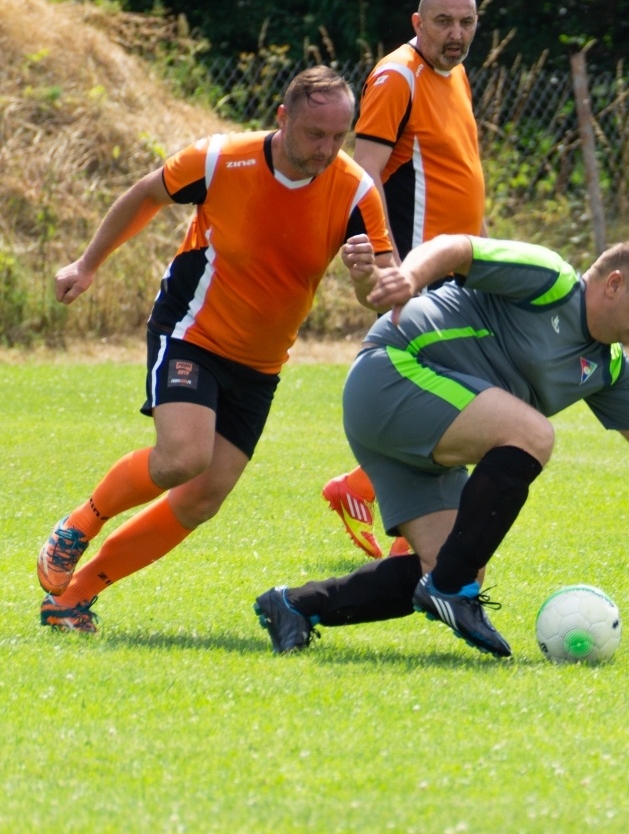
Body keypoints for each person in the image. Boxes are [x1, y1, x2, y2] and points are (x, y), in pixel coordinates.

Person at [253, 237, 629, 658]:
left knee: (439, 560)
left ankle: (296, 605)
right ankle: (453, 589)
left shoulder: (607, 368)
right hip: (395, 371)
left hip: (426, 423)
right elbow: (457, 247)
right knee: (532, 436)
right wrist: (407, 277)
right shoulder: (550, 280)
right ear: (613, 284)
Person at [36, 67, 395, 632]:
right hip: (191, 332)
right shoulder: (221, 159)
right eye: (314, 134)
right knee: (183, 457)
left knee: (203, 498)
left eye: (339, 136)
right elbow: (146, 194)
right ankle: (80, 524)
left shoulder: (355, 190)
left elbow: (385, 290)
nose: (327, 149)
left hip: (260, 363)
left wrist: (362, 277)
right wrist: (86, 264)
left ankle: (71, 598)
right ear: (283, 119)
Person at [322, 0, 486, 560]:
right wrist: (383, 268)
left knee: (469, 400)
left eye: (466, 22)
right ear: (417, 23)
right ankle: (410, 539)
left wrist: (482, 257)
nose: (456, 35)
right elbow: (360, 178)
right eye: (443, 22)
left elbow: (456, 174)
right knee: (466, 403)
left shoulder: (455, 73)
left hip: (458, 269)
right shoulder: (398, 77)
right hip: (419, 274)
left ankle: (361, 490)